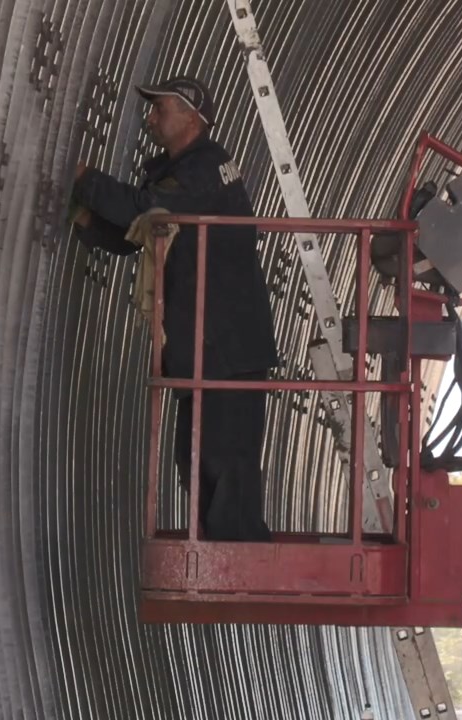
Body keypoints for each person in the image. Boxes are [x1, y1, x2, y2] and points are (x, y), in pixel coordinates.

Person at [70, 75, 279, 542]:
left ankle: (240, 552)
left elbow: (145, 211)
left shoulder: (205, 167)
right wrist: (86, 221)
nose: (149, 118)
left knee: (227, 457)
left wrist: (82, 179)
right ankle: (220, 547)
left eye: (159, 109)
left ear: (191, 117)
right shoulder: (176, 170)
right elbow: (139, 233)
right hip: (204, 344)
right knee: (197, 453)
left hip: (228, 343)